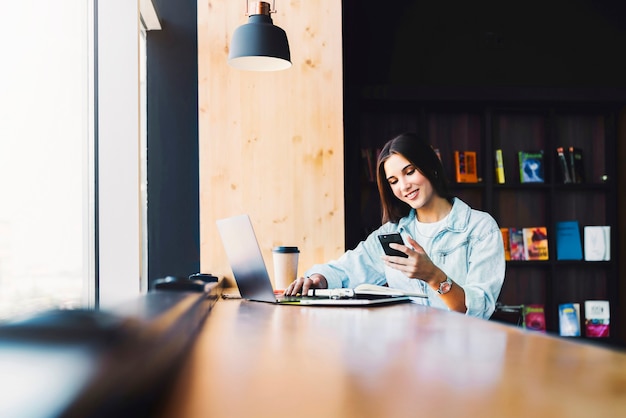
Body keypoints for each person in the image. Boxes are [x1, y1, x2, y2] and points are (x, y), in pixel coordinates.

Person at [284, 132, 505, 319]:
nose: (404, 186)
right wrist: (317, 280)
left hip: (461, 358)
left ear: (430, 167)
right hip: (407, 356)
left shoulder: (479, 228)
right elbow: (344, 270)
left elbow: (480, 309)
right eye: (394, 181)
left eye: (410, 172)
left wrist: (434, 276)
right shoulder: (392, 233)